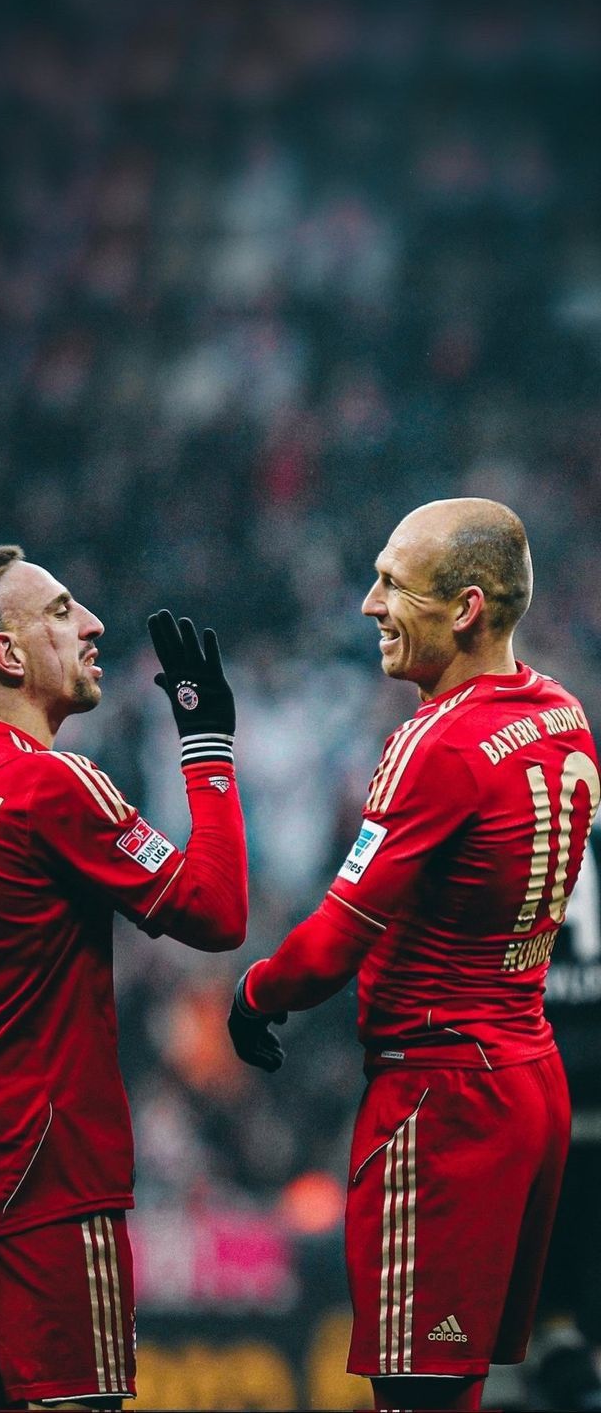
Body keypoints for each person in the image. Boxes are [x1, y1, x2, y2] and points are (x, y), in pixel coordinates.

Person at [228, 498, 600, 1413]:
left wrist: (255, 991)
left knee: (418, 1393)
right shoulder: (563, 714)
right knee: (467, 1385)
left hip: (441, 1098)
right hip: (529, 1075)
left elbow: (330, 947)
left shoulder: (435, 742)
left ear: (466, 608)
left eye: (393, 582)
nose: (368, 604)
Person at [0, 545, 247, 1410]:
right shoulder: (50, 784)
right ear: (7, 655)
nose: (93, 624)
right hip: (41, 1177)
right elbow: (217, 912)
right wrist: (210, 749)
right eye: (61, 610)